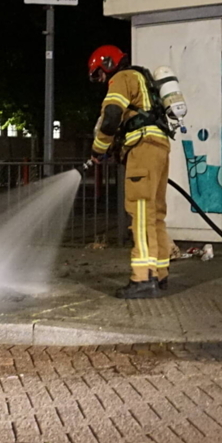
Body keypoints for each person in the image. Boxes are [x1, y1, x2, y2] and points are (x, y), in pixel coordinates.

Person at [88, 45, 173, 299]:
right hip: (159, 146)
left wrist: (98, 149)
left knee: (141, 211)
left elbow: (112, 116)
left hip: (142, 148)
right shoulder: (143, 79)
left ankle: (143, 278)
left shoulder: (122, 78)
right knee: (155, 213)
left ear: (108, 63)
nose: (101, 80)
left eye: (99, 73)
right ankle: (160, 273)